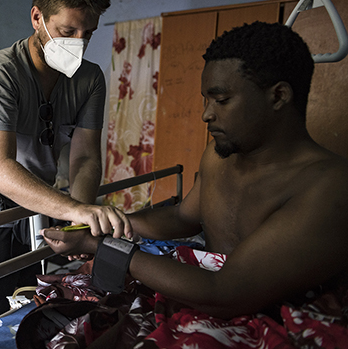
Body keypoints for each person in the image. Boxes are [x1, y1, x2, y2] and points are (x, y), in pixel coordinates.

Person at [40, 22, 348, 347]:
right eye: (205, 100)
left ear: (278, 96)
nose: (205, 115)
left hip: (262, 308)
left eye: (221, 100)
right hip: (209, 291)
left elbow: (226, 294)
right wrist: (109, 223)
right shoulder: (219, 155)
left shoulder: (328, 186)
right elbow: (182, 218)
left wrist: (101, 247)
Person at [0, 0, 132, 329]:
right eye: (67, 31)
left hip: (37, 204)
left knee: (31, 304)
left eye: (89, 34)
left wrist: (78, 217)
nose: (78, 44)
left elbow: (84, 158)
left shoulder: (88, 80)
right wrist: (75, 211)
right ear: (37, 18)